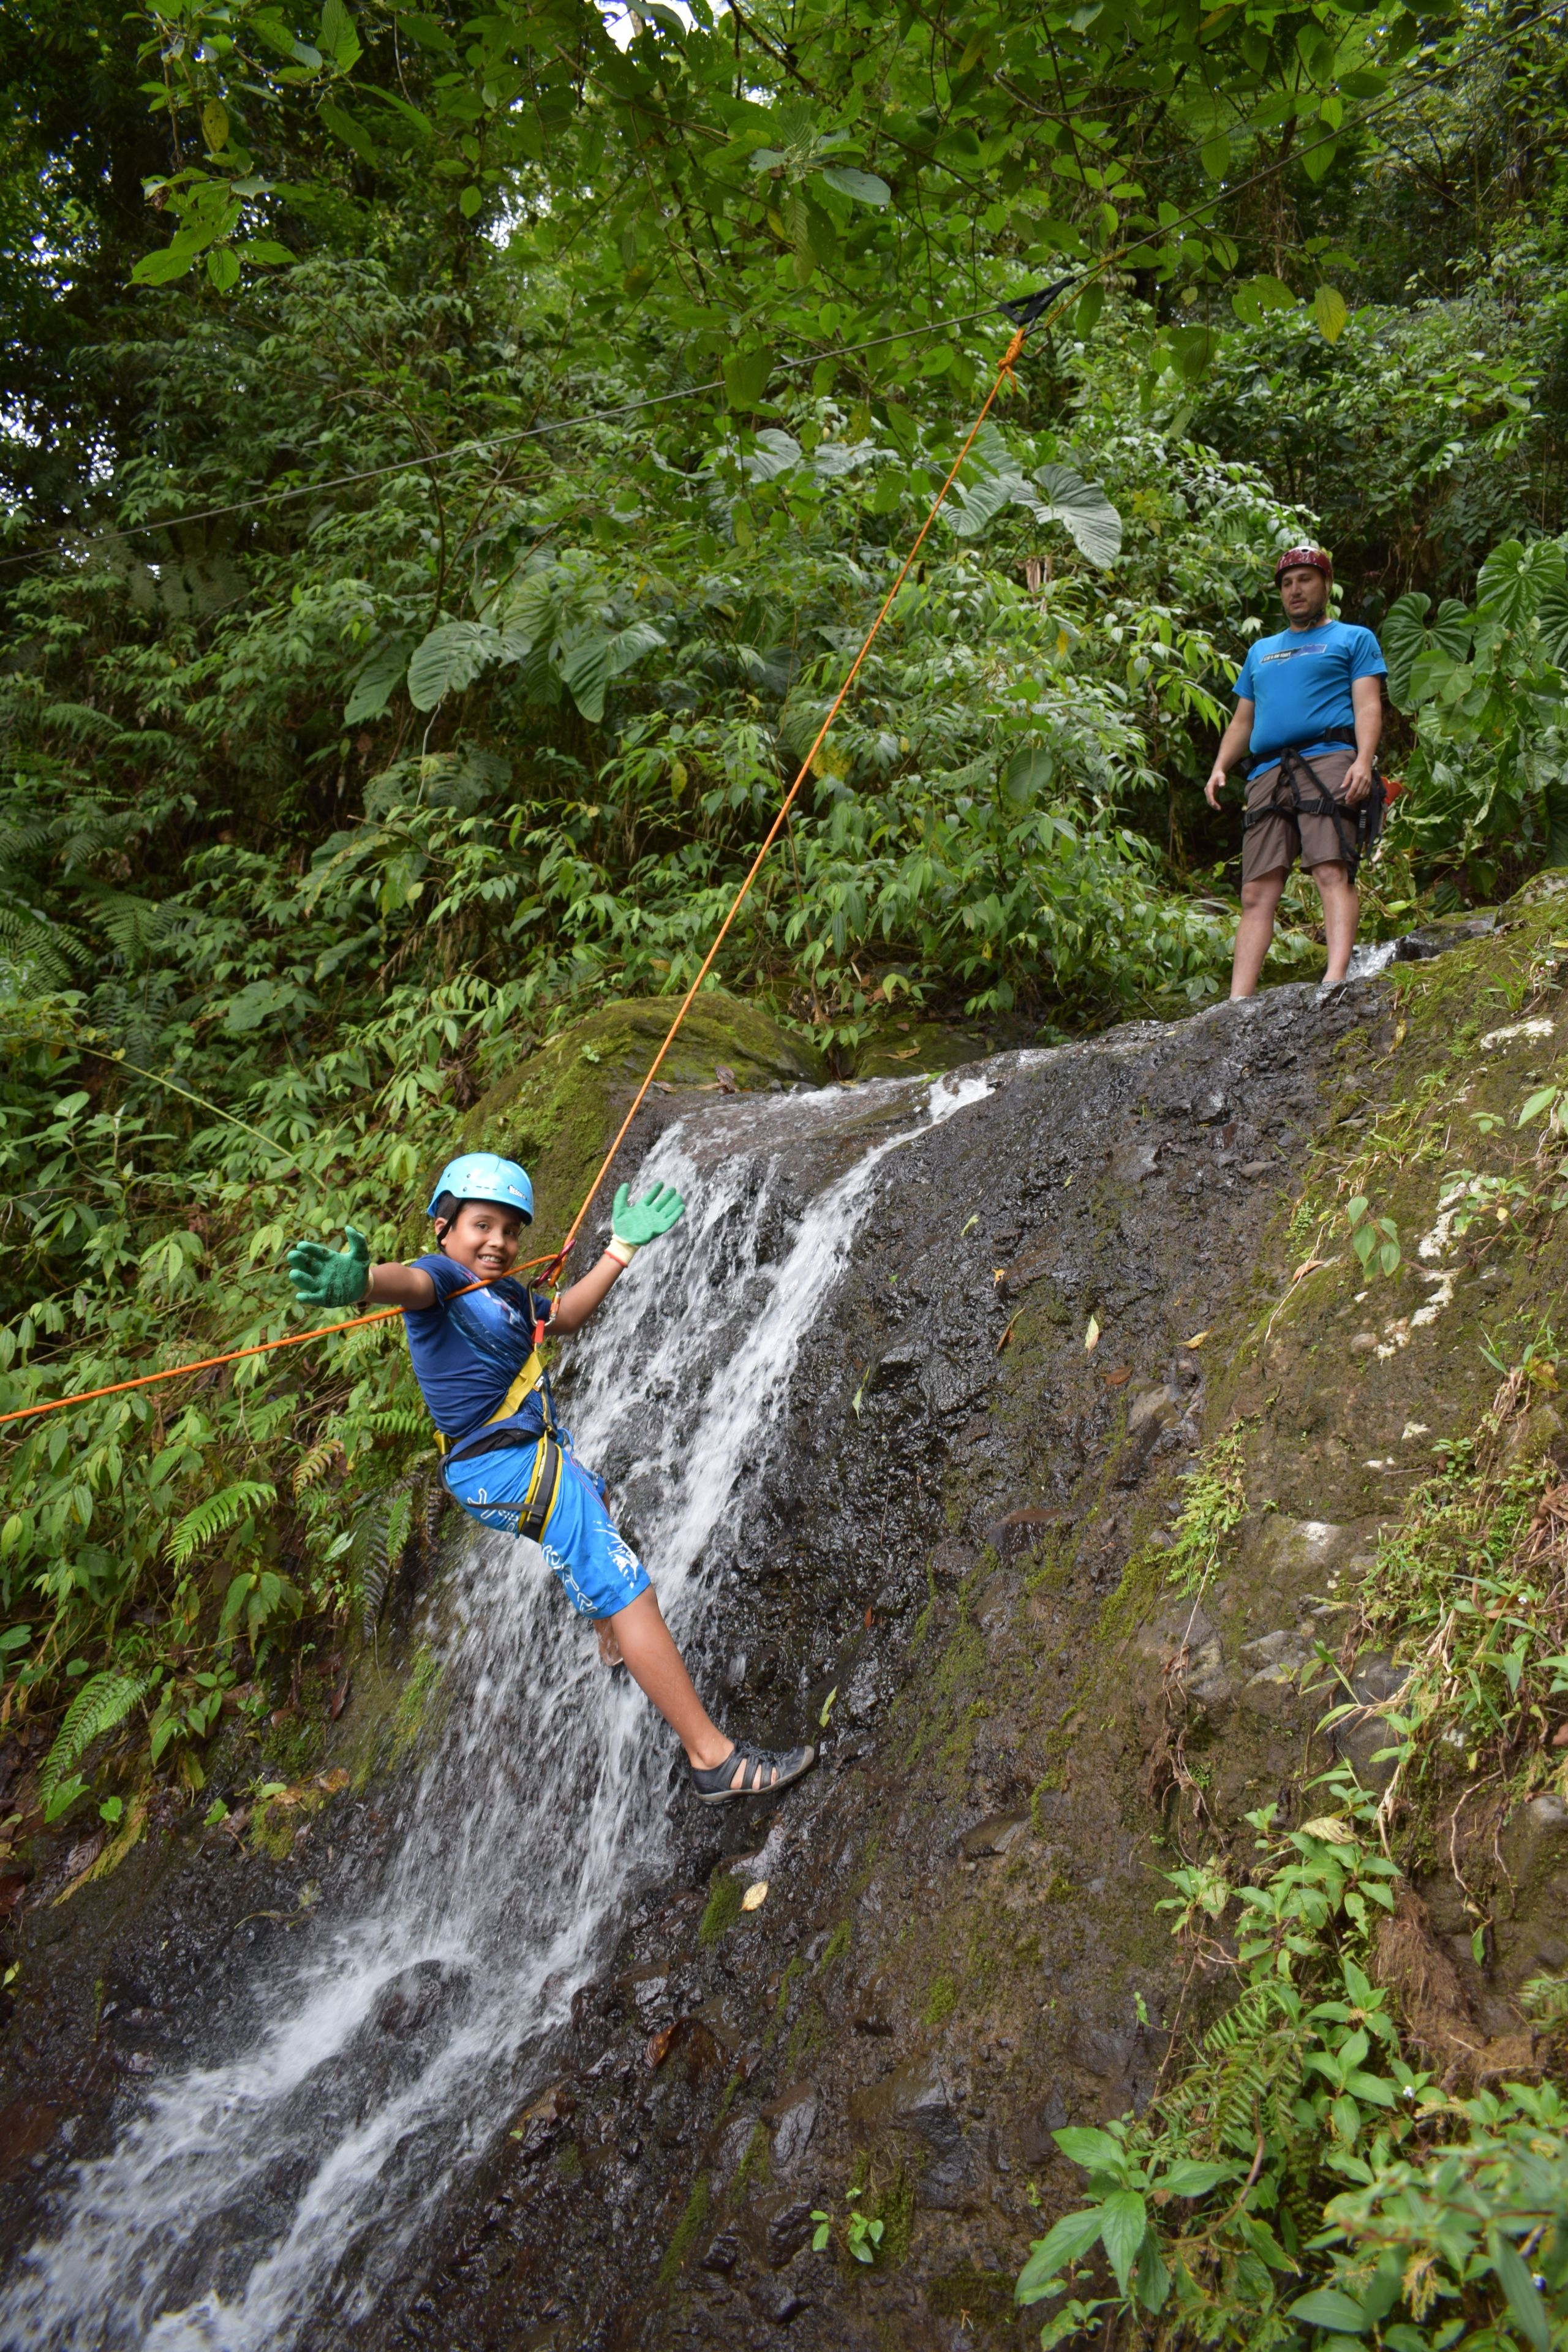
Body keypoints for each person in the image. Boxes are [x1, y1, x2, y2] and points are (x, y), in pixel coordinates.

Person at [284, 1152, 815, 1806]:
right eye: (482, 1225)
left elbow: (563, 1316)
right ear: (444, 1226)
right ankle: (713, 1759)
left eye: (510, 1231)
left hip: (516, 1462)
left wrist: (619, 1249)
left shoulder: (504, 1294)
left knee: (598, 1499)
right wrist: (362, 1281)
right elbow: (407, 1285)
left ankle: (614, 1647)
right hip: (502, 1466)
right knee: (626, 1586)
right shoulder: (439, 1281)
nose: (499, 1242)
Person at [1203, 546, 1386, 998]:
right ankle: (1237, 1001)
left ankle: (1335, 979)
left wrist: (1364, 760)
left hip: (1328, 759)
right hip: (1267, 771)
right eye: (1287, 584)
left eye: (1305, 580)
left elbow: (1367, 704)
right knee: (1255, 890)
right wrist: (1220, 766)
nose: (1295, 590)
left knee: (1330, 867)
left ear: (1326, 585)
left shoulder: (1353, 638)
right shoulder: (1261, 652)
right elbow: (1243, 720)